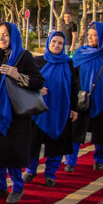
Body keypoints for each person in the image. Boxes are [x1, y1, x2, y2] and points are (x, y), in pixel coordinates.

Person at [0, 22, 44, 202]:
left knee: (11, 154)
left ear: (14, 36)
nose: (2, 38)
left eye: (5, 34)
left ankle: (17, 187)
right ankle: (0, 186)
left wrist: (17, 75)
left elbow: (38, 81)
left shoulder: (23, 56)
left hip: (14, 115)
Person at [23, 31, 78, 187]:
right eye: (53, 42)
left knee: (57, 144)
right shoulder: (38, 61)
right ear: (49, 43)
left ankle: (50, 174)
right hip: (38, 110)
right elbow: (28, 81)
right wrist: (37, 89)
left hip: (60, 110)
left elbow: (74, 86)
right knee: (33, 143)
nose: (56, 45)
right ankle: (30, 170)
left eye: (60, 43)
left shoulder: (68, 63)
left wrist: (74, 108)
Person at [67, 22, 103, 172]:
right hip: (81, 100)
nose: (91, 38)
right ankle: (70, 162)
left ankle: (99, 160)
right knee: (75, 131)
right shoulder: (80, 52)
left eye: (95, 35)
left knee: (102, 134)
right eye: (89, 35)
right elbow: (72, 76)